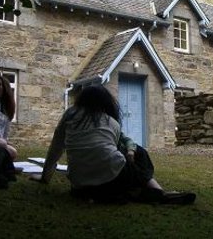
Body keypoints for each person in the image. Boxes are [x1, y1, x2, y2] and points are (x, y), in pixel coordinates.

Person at [31, 85, 196, 205]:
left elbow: (55, 148)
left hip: (80, 187)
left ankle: (134, 193)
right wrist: (131, 152)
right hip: (115, 178)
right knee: (138, 153)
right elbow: (116, 151)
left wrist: (45, 177)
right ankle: (159, 192)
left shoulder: (70, 115)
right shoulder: (111, 122)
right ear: (106, 103)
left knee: (123, 168)